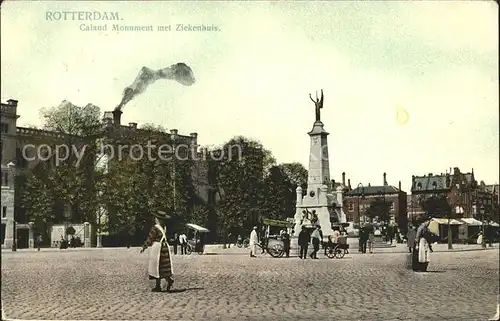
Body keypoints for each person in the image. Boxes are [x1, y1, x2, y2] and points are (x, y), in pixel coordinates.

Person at [140, 210, 174, 292]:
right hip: (165, 248)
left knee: (156, 266)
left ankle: (160, 285)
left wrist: (144, 246)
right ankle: (166, 281)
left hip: (158, 248)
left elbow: (150, 238)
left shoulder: (155, 228)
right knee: (163, 266)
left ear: (157, 219)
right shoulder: (164, 228)